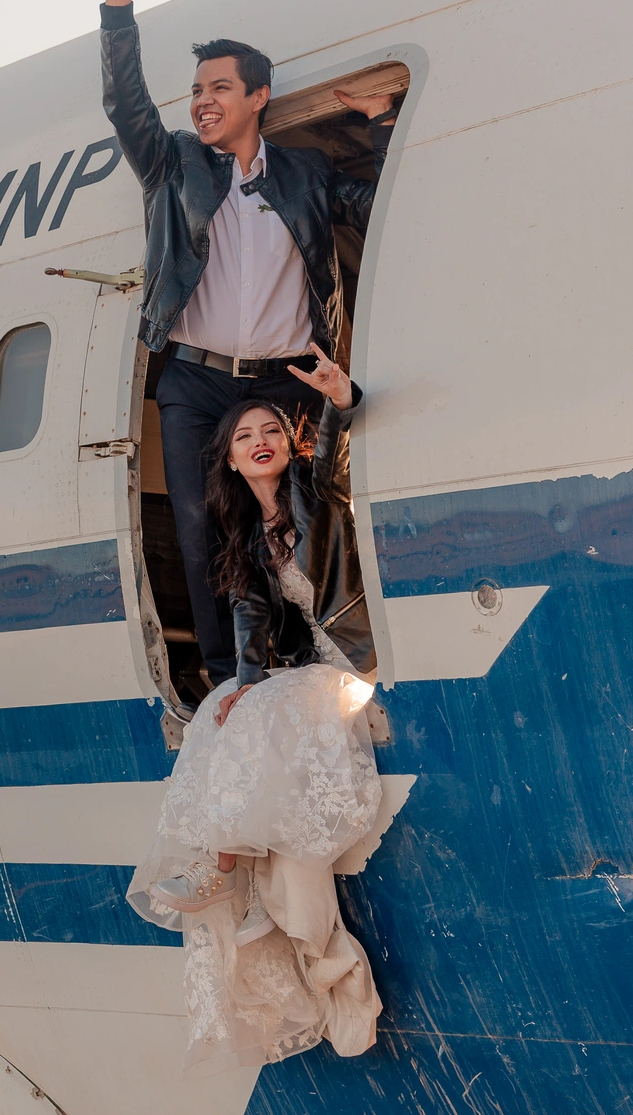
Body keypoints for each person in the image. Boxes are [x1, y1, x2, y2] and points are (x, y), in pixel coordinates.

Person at [99, 0, 392, 689]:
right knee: (202, 529)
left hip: (281, 379)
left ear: (258, 95)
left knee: (300, 519)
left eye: (219, 88)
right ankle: (233, 675)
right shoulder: (175, 170)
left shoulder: (302, 176)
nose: (201, 100)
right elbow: (126, 107)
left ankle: (310, 658)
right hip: (197, 379)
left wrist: (385, 121)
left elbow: (384, 204)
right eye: (195, 90)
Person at [127, 346, 385, 1074]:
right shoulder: (246, 535)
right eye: (243, 438)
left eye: (268, 428)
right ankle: (232, 875)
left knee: (269, 704)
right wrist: (238, 684)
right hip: (311, 666)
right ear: (233, 462)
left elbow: (332, 456)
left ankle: (225, 865)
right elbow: (249, 619)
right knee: (223, 710)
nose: (258, 441)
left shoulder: (308, 489)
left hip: (349, 657)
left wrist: (337, 399)